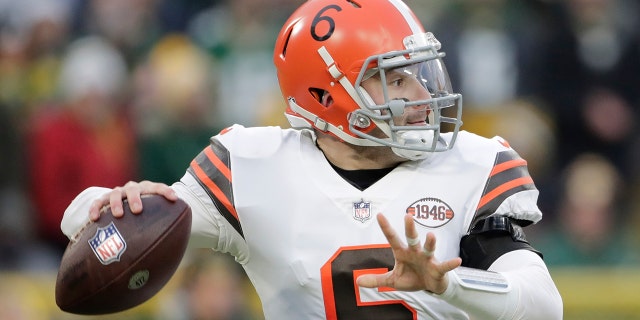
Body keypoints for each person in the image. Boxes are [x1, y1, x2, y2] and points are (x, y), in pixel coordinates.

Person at [60, 0, 563, 319]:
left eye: (420, 71)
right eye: (393, 78)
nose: (420, 94)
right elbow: (85, 226)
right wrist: (110, 204)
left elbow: (543, 307)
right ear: (326, 96)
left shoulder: (472, 164)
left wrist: (449, 284)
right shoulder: (250, 167)